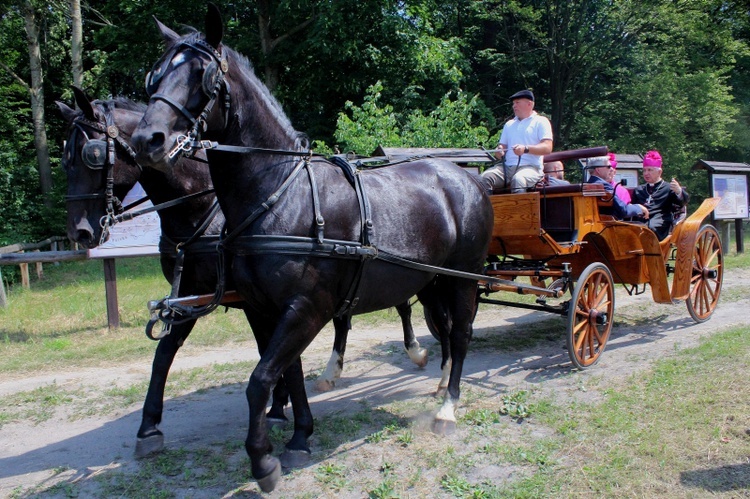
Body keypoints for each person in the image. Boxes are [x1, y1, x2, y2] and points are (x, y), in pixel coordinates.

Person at [482, 89, 553, 193]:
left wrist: (525, 149)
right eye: (513, 103)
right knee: (484, 178)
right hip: (506, 168)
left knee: (518, 179)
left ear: (529, 104)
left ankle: (519, 209)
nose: (514, 106)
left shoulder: (541, 121)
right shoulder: (509, 124)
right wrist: (499, 151)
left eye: (517, 103)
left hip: (531, 167)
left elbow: (547, 147)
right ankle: (487, 209)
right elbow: (501, 149)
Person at [631, 150, 690, 241]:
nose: (646, 173)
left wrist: (678, 191)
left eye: (650, 170)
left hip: (660, 222)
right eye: (644, 170)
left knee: (650, 229)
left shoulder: (669, 188)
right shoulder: (639, 190)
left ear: (659, 172)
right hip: (640, 221)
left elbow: (682, 203)